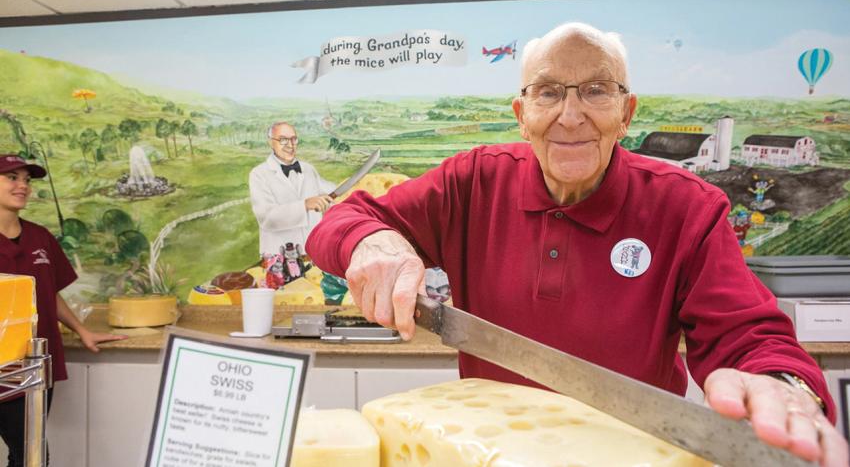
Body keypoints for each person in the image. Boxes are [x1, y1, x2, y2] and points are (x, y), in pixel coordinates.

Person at [306, 23, 849, 466]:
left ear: (626, 112)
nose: (570, 116)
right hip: (485, 453)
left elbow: (749, 334)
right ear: (522, 115)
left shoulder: (686, 207)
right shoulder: (472, 181)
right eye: (548, 93)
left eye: (595, 90)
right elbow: (346, 219)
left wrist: (784, 386)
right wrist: (369, 241)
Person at [0, 154, 126, 466]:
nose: (22, 186)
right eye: (12, 177)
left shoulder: (40, 237)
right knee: (32, 454)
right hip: (2, 363)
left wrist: (82, 330)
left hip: (37, 363)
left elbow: (48, 292)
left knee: (29, 452)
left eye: (27, 180)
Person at [249, 122, 335, 255]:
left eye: (294, 139)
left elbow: (330, 192)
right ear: (271, 142)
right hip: (279, 255)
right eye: (283, 140)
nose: (290, 145)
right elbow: (267, 218)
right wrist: (304, 205)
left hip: (314, 251)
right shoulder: (259, 174)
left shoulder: (308, 168)